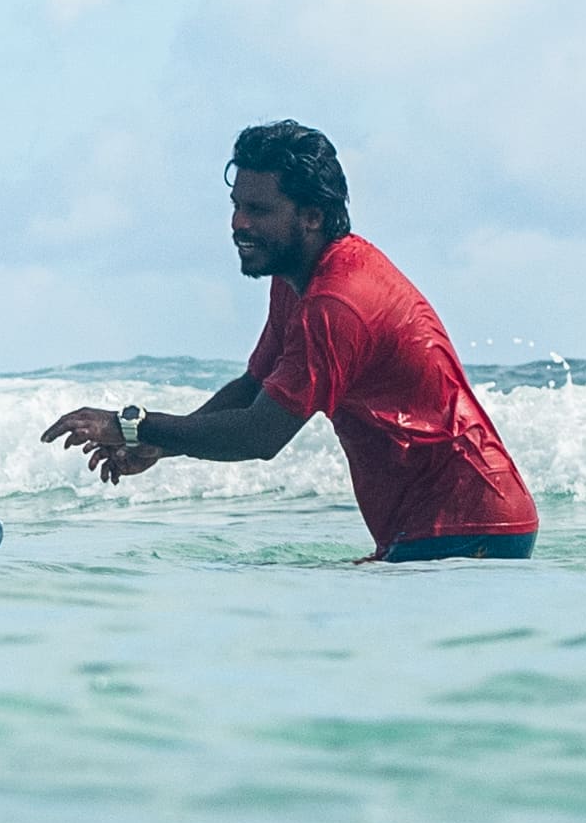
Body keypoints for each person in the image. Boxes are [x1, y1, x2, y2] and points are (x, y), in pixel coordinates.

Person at [43, 120, 539, 562]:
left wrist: (132, 426)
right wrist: (159, 446)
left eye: (258, 210)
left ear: (312, 216)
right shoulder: (295, 279)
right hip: (437, 529)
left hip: (470, 529)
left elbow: (261, 436)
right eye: (237, 206)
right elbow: (251, 389)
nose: (239, 224)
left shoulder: (336, 302)